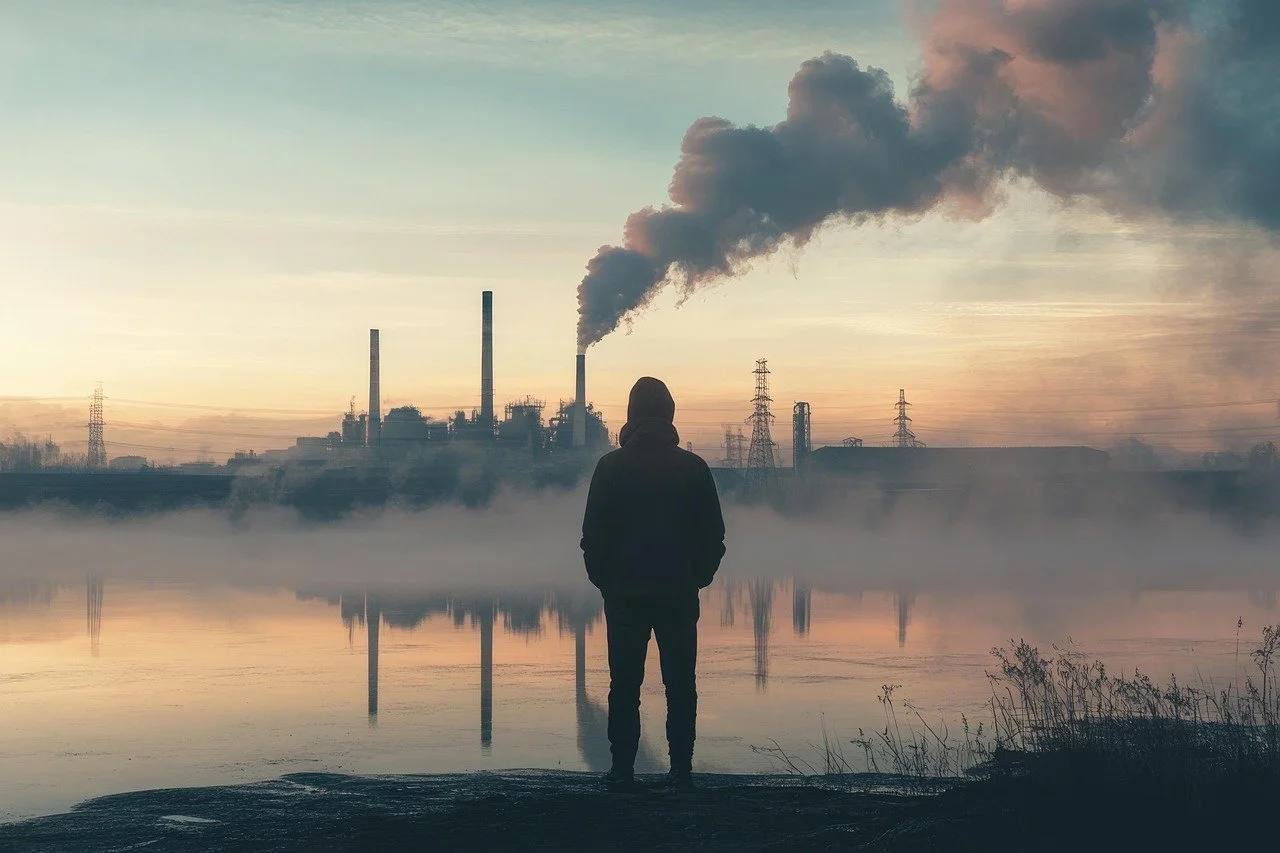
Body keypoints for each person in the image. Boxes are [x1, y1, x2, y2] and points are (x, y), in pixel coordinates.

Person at [580, 376, 727, 791]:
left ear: (631, 414)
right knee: (681, 685)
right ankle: (681, 769)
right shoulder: (693, 467)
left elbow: (593, 534)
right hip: (678, 594)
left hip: (625, 595)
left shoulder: (610, 467)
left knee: (623, 685)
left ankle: (622, 769)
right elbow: (713, 534)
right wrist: (697, 577)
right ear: (669, 412)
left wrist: (606, 582)